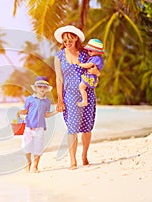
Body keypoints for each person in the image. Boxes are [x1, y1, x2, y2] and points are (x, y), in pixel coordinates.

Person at [53, 25, 101, 170]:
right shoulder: (59, 56)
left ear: (76, 39)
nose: (67, 42)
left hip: (87, 92)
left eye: (70, 39)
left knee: (87, 127)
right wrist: (60, 99)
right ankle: (73, 160)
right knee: (72, 127)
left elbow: (96, 71)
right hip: (70, 95)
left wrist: (97, 72)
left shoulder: (85, 54)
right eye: (65, 40)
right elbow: (59, 79)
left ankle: (84, 155)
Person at [17, 76, 58, 173]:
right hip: (28, 127)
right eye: (40, 87)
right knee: (26, 147)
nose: (42, 89)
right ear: (35, 88)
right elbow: (26, 111)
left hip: (40, 128)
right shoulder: (30, 99)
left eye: (44, 87)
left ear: (47, 89)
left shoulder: (47, 101)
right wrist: (20, 112)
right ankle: (28, 163)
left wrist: (56, 112)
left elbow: (46, 115)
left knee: (38, 147)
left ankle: (35, 166)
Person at [76, 39, 104, 107]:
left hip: (89, 77)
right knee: (83, 87)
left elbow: (88, 65)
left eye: (91, 51)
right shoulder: (96, 58)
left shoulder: (96, 58)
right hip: (91, 77)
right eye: (88, 50)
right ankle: (85, 101)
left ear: (97, 52)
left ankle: (85, 101)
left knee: (81, 87)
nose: (89, 52)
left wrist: (80, 64)